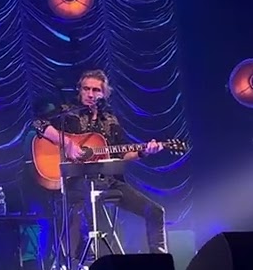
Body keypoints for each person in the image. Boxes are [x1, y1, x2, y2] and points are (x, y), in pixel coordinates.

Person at [30, 69, 169, 257]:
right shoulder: (67, 113)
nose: (90, 94)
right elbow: (39, 124)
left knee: (155, 211)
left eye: (96, 90)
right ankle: (99, 263)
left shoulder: (111, 120)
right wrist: (67, 143)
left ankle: (161, 266)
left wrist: (144, 151)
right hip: (76, 182)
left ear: (104, 94)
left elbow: (120, 153)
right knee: (93, 207)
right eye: (86, 89)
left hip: (108, 182)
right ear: (79, 90)